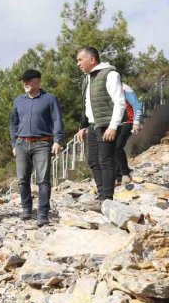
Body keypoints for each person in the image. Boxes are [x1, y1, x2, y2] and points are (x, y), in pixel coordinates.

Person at [9, 69, 64, 226]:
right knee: (21, 180)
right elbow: (13, 123)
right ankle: (26, 209)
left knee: (43, 180)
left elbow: (57, 121)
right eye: (23, 80)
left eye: (28, 80)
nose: (25, 83)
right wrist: (14, 143)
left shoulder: (50, 99)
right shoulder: (18, 100)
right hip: (21, 144)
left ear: (38, 81)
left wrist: (58, 140)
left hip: (42, 143)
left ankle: (43, 213)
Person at [75, 46, 126, 204]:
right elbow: (87, 105)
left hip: (106, 125)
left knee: (105, 161)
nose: (78, 64)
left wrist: (113, 126)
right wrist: (82, 127)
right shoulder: (87, 78)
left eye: (80, 59)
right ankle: (102, 195)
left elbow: (120, 102)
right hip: (91, 126)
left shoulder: (110, 74)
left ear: (91, 59)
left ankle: (107, 198)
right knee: (93, 161)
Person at [114, 83, 143, 186]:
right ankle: (118, 177)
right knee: (113, 149)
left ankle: (125, 173)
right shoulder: (108, 87)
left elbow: (136, 104)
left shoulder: (124, 88)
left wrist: (136, 122)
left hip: (128, 122)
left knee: (117, 147)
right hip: (115, 123)